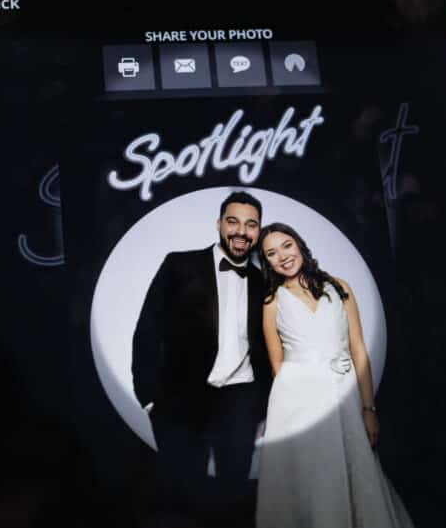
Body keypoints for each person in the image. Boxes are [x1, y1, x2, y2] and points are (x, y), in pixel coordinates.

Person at [255, 222, 414, 528]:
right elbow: (277, 367)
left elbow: (358, 349)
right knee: (315, 483)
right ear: (267, 262)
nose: (283, 256)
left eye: (286, 245)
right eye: (271, 253)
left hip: (344, 395)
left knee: (358, 475)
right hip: (299, 404)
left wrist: (369, 409)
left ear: (299, 243)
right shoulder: (272, 301)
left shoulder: (339, 287)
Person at [132, 190, 273, 527]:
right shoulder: (179, 264)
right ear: (219, 224)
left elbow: (268, 345)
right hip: (181, 399)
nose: (241, 231)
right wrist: (149, 396)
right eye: (233, 221)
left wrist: (264, 406)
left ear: (259, 230)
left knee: (234, 501)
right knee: (182, 499)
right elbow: (147, 327)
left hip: (240, 400)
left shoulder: (263, 280)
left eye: (250, 224)